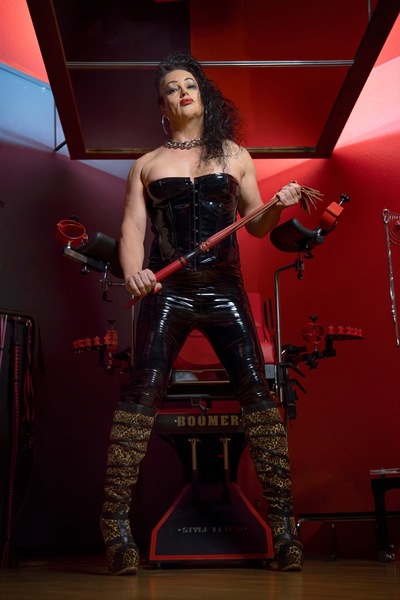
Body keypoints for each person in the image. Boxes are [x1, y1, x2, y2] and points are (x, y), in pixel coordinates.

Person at [100, 52, 303, 575]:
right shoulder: (146, 164)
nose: (182, 91)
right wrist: (134, 274)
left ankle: (285, 531)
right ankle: (115, 531)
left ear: (203, 96)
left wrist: (279, 204)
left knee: (257, 392)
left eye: (189, 83)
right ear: (162, 106)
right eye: (171, 88)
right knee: (141, 395)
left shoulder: (235, 154)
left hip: (224, 290)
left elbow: (256, 225)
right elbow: (131, 230)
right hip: (166, 291)